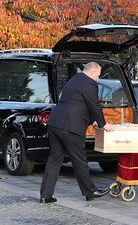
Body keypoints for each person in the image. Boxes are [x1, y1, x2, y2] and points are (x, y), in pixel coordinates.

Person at [39, 62, 110, 203]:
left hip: (55, 123)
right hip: (71, 127)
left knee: (54, 159)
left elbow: (78, 104)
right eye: (97, 75)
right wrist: (103, 124)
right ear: (91, 72)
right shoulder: (90, 83)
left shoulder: (75, 80)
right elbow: (94, 105)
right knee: (80, 160)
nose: (98, 79)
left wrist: (93, 121)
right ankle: (90, 192)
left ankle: (45, 195)